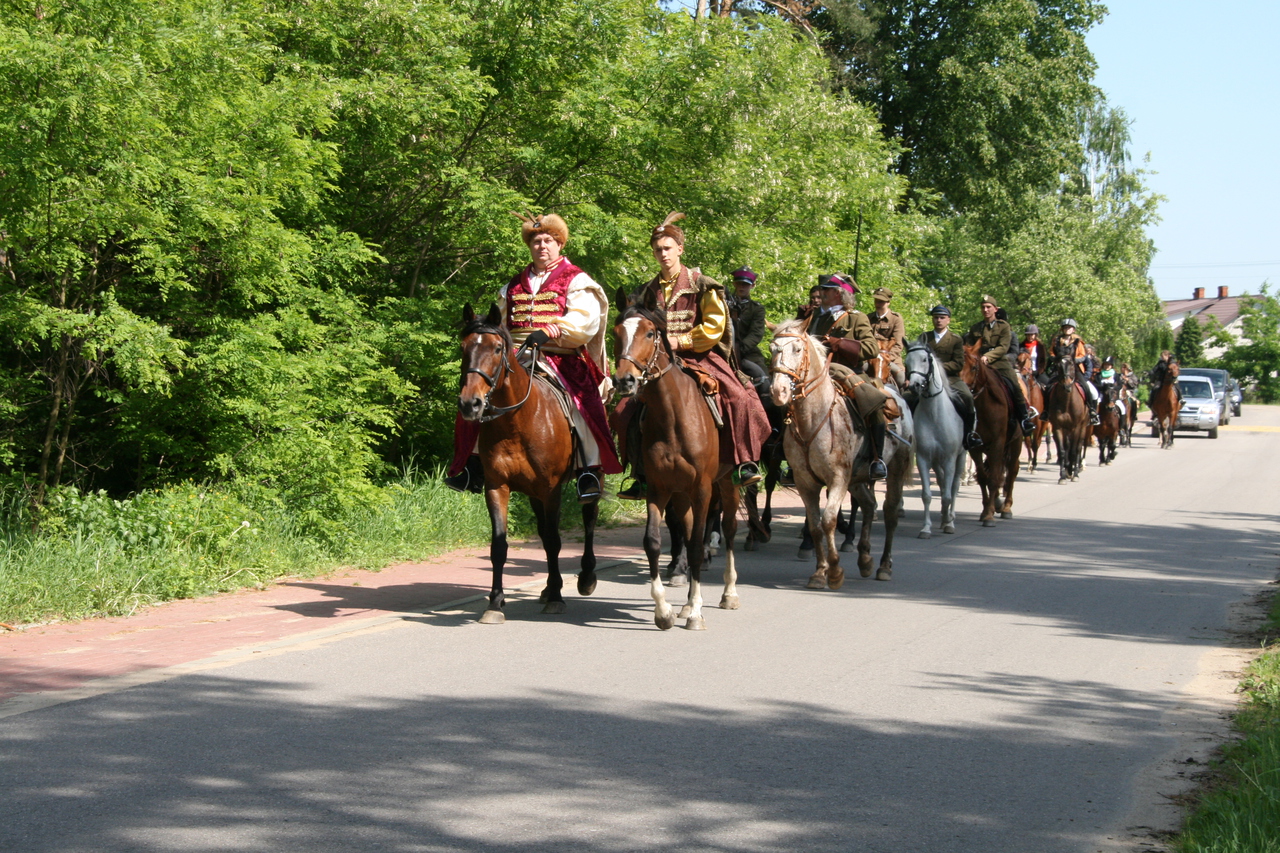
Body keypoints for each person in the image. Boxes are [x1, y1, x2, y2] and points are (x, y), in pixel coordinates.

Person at [445, 212, 622, 502]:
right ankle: (472, 466)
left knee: (583, 405)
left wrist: (551, 331)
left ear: (560, 244)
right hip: (516, 355)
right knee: (478, 396)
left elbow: (585, 320)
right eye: (537, 241)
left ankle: (588, 470)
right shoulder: (514, 284)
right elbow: (499, 323)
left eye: (548, 241)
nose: (542, 246)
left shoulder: (576, 279)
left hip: (560, 356)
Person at [614, 212, 772, 499]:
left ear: (680, 249)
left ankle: (742, 463)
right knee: (623, 411)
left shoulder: (702, 284)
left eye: (667, 248)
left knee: (739, 397)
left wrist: (680, 341)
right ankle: (639, 473)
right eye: (657, 249)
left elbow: (714, 327)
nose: (662, 254)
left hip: (700, 356)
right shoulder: (645, 290)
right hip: (655, 361)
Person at [811, 274, 892, 480]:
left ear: (838, 294)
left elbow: (871, 348)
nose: (822, 293)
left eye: (827, 290)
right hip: (819, 373)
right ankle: (791, 459)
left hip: (848, 372)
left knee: (872, 401)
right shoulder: (815, 317)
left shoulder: (855, 317)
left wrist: (840, 343)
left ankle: (876, 458)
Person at [963, 294, 1038, 435]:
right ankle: (965, 422)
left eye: (988, 307)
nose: (985, 310)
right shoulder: (975, 328)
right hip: (978, 363)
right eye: (983, 307)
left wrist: (987, 357)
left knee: (1015, 386)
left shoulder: (1003, 326)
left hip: (999, 362)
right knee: (964, 385)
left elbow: (1003, 347)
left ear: (995, 309)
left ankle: (1024, 419)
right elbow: (970, 346)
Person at [915, 305, 983, 449]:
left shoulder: (955, 339)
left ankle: (969, 434)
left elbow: (958, 364)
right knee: (908, 396)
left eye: (942, 317)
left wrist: (936, 369)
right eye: (936, 317)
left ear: (948, 320)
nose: (938, 320)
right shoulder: (924, 337)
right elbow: (916, 358)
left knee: (967, 397)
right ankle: (910, 433)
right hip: (926, 380)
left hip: (950, 378)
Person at [1047, 319, 1100, 424]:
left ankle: (1092, 412)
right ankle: (1046, 411)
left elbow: (1082, 354)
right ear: (1062, 329)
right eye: (1065, 327)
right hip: (1060, 369)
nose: (1067, 329)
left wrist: (1072, 360)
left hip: (1075, 370)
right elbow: (1051, 352)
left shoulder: (1078, 342)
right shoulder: (1056, 340)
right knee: (1048, 387)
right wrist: (1057, 359)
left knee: (1091, 391)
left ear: (1073, 329)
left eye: (1069, 327)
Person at [728, 266, 769, 382]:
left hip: (747, 352)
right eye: (739, 283)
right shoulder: (723, 304)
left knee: (764, 380)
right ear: (734, 284)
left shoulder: (757, 309)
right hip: (723, 349)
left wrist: (739, 349)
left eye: (745, 284)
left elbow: (756, 334)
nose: (742, 287)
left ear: (752, 286)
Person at [867, 287, 906, 387]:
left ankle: (901, 400)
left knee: (901, 378)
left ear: (888, 302)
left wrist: (886, 358)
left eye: (881, 301)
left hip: (890, 358)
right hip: (871, 357)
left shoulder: (895, 319)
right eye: (876, 301)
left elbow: (898, 344)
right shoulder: (868, 318)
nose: (878, 304)